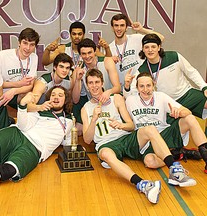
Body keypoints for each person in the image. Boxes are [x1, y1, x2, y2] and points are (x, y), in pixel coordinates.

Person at [81, 68, 196, 204]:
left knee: (149, 129)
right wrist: (94, 119)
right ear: (87, 86)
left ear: (102, 83)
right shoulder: (85, 108)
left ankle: (174, 169)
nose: (94, 86)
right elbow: (87, 139)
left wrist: (121, 125)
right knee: (105, 154)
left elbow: (131, 125)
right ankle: (144, 185)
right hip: (106, 144)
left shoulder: (116, 99)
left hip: (125, 138)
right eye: (90, 83)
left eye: (97, 82)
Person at [125, 72, 207, 172]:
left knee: (189, 118)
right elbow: (124, 93)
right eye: (141, 86)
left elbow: (188, 112)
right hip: (146, 140)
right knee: (150, 162)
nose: (145, 90)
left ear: (153, 85)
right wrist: (126, 85)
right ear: (137, 88)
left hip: (164, 134)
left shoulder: (161, 97)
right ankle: (176, 154)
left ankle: (205, 155)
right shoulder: (130, 100)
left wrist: (179, 112)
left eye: (148, 85)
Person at [123, 33, 207, 120]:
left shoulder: (174, 56)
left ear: (159, 47)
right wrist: (127, 86)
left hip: (187, 94)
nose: (150, 50)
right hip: (167, 104)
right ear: (143, 49)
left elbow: (191, 72)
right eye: (147, 47)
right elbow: (130, 95)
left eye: (153, 47)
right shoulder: (141, 71)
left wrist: (204, 87)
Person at [72, 38, 120, 134]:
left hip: (110, 102)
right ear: (80, 55)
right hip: (93, 104)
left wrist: (108, 92)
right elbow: (75, 99)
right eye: (84, 54)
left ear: (95, 52)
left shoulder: (107, 61)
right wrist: (77, 79)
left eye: (90, 52)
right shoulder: (78, 70)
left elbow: (117, 88)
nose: (87, 56)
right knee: (78, 130)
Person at [109, 13, 164, 91]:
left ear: (126, 27)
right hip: (125, 89)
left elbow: (161, 38)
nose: (119, 28)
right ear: (112, 27)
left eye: (122, 25)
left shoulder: (136, 38)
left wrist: (141, 30)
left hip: (143, 87)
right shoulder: (110, 48)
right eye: (116, 25)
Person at [0, 28, 40, 116]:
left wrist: (14, 91)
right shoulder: (2, 56)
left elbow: (30, 86)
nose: (28, 48)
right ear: (19, 42)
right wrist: (18, 84)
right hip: (0, 92)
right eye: (25, 43)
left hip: (18, 93)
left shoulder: (34, 57)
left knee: (32, 98)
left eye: (32, 45)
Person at [42, 21, 111, 67]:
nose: (77, 37)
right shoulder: (62, 49)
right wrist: (47, 50)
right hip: (68, 84)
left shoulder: (91, 49)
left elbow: (109, 62)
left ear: (83, 35)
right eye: (74, 34)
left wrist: (107, 48)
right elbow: (45, 62)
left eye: (79, 34)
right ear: (70, 35)